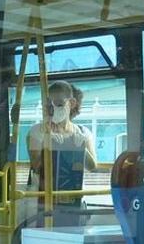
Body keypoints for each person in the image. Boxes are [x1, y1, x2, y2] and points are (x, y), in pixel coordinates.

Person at [27, 81, 97, 227]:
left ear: (71, 103)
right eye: (49, 106)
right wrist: (48, 143)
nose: (53, 109)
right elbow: (36, 166)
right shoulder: (37, 132)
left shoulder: (83, 133)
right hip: (44, 201)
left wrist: (81, 150)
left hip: (75, 200)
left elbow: (92, 167)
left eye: (58, 104)